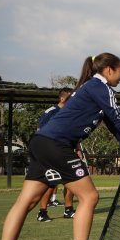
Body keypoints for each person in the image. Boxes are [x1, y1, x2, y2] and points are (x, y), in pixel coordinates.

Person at [0, 53, 120, 240]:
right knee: (90, 196)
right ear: (108, 70)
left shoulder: (91, 88)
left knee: (26, 201)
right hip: (56, 145)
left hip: (41, 143)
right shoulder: (100, 87)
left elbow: (115, 128)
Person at [35, 88, 77, 222]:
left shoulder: (71, 113)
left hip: (67, 151)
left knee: (71, 181)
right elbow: (39, 132)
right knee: (51, 183)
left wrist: (77, 149)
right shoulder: (50, 112)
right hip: (51, 152)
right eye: (71, 98)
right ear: (63, 99)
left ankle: (68, 210)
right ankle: (42, 212)